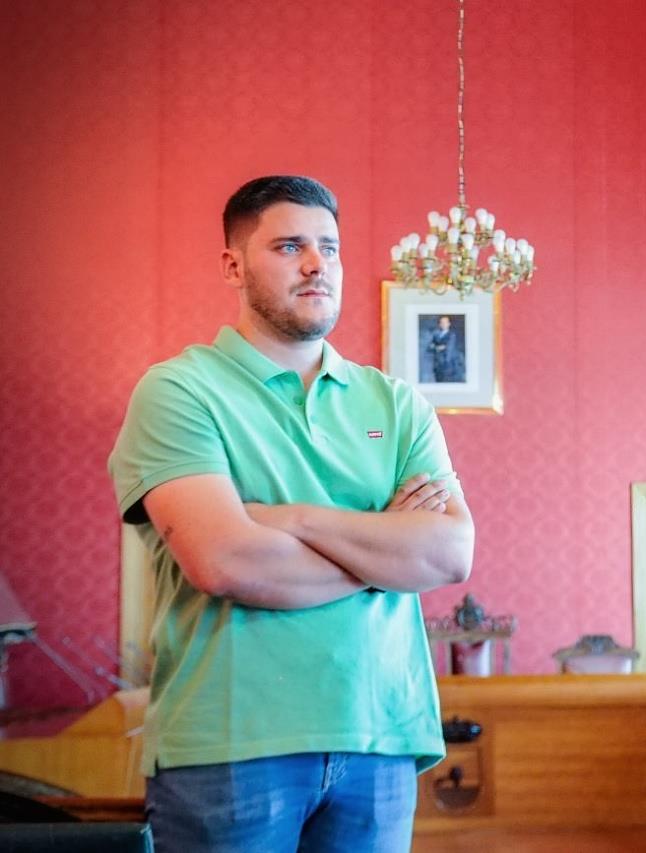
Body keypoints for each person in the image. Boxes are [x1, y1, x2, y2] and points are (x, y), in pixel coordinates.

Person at [108, 175, 475, 852]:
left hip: (383, 737)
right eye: (289, 246)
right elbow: (226, 562)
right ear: (233, 265)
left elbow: (449, 554)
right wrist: (386, 553)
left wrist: (293, 519)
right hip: (229, 743)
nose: (316, 264)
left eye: (329, 247)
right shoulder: (179, 391)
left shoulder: (397, 404)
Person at [429, 315, 466, 382]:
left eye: (445, 322)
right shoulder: (436, 335)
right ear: (439, 324)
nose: (443, 324)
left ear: (449, 324)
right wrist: (438, 347)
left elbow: (448, 349)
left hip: (447, 365)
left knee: (446, 381)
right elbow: (430, 347)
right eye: (441, 322)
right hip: (437, 364)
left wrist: (437, 347)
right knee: (438, 381)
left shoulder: (452, 335)